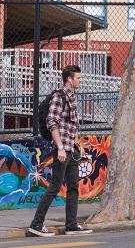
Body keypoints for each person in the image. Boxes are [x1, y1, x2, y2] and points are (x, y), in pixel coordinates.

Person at [28, 65, 92, 237]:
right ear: (69, 79)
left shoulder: (73, 97)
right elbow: (52, 122)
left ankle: (71, 225)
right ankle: (36, 224)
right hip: (62, 150)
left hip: (71, 149)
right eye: (78, 77)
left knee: (73, 187)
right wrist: (61, 148)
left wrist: (77, 144)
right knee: (55, 187)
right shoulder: (59, 96)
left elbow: (71, 126)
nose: (80, 80)